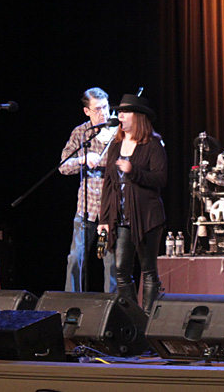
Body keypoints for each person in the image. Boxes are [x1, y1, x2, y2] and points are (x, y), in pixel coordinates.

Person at [97, 95, 167, 314]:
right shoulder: (116, 145)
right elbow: (108, 185)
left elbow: (160, 178)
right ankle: (133, 318)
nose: (120, 116)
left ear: (138, 117)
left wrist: (133, 170)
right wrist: (105, 219)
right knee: (120, 269)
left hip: (147, 217)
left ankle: (148, 320)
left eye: (125, 113)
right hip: (122, 217)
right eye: (119, 113)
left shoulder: (153, 144)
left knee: (148, 270)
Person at [60, 87, 117, 293]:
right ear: (87, 111)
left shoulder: (118, 132)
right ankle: (71, 303)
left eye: (106, 108)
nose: (104, 113)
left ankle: (114, 308)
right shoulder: (81, 133)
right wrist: (83, 160)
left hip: (112, 209)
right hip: (87, 208)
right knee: (76, 257)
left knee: (112, 262)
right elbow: (63, 167)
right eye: (98, 109)